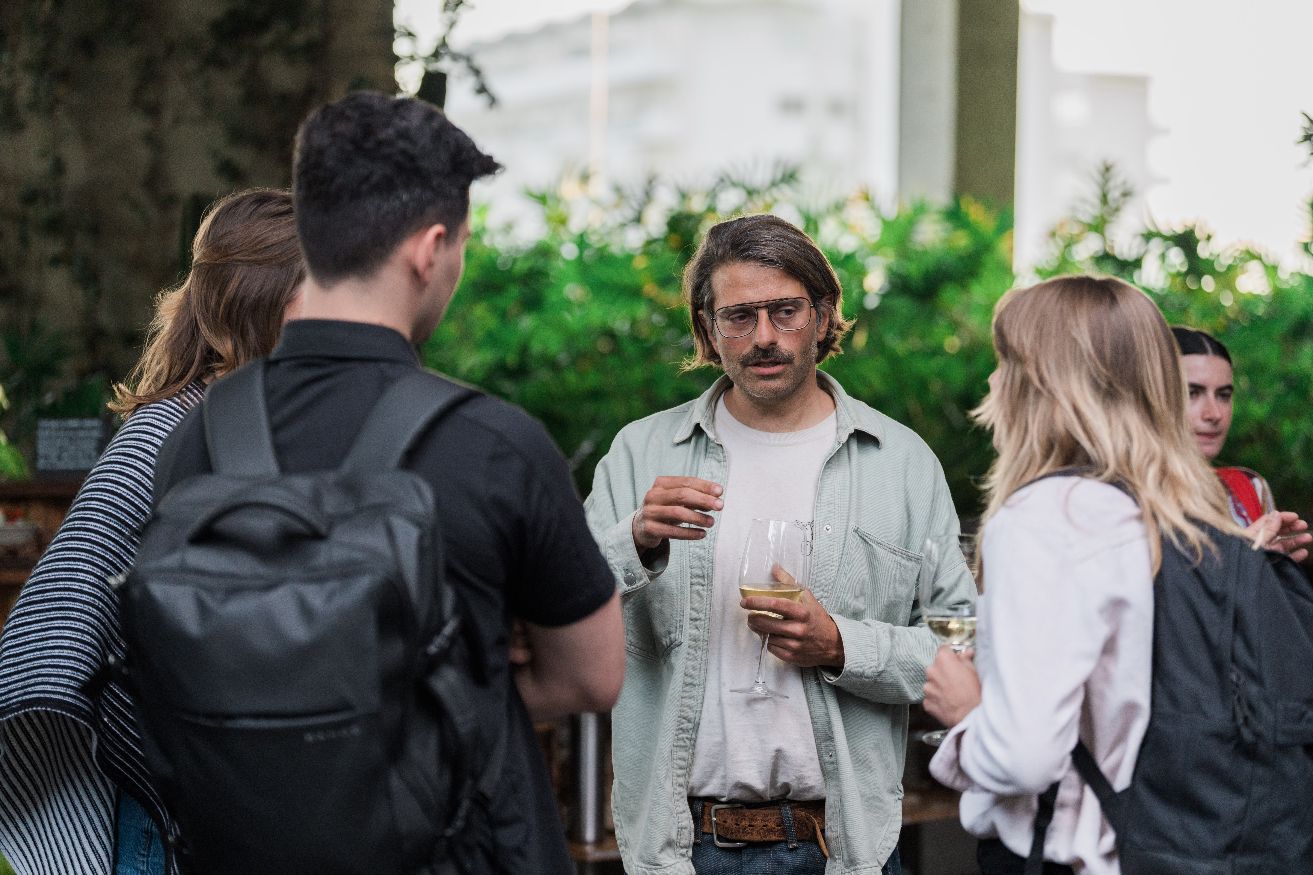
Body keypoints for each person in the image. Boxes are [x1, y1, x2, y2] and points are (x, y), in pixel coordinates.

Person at [152, 91, 625, 874]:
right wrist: (451, 676)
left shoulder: (197, 438)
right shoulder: (494, 444)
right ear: (429, 248)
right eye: (461, 244)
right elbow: (592, 673)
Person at [585, 214, 976, 875]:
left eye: (784, 311)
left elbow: (959, 644)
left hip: (843, 849)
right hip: (681, 851)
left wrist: (841, 644)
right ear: (708, 329)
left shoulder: (902, 463)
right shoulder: (639, 453)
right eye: (739, 316)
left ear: (822, 317)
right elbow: (562, 614)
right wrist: (635, 541)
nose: (763, 336)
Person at [0, 188, 305, 875]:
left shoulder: (253, 429)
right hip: (165, 821)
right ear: (266, 305)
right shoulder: (165, 438)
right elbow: (55, 631)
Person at [921, 276, 1242, 874]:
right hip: (1172, 845)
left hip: (1062, 853)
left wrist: (967, 712)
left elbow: (1024, 758)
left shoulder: (1050, 517)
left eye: (1006, 361)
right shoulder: (1186, 510)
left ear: (1044, 383)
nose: (993, 382)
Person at [1171, 326, 1309, 562]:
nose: (1214, 414)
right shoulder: (1124, 499)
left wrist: (1273, 573)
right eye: (1192, 393)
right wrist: (1241, 560)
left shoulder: (1248, 488)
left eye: (1223, 395)